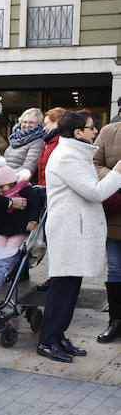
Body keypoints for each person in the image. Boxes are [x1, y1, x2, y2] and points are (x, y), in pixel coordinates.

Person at [38, 111, 120, 362]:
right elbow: (96, 191)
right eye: (91, 128)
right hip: (68, 231)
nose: (95, 132)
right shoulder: (66, 157)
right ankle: (47, 340)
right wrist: (118, 171)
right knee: (62, 289)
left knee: (71, 289)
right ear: (77, 132)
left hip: (75, 230)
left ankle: (58, 335)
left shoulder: (75, 153)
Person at [92, 119, 121, 343]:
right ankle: (115, 322)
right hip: (115, 213)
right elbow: (94, 164)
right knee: (115, 268)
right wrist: (116, 177)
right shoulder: (109, 132)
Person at [0, 156, 41, 249]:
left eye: (2, 187)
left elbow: (34, 205)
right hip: (2, 226)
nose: (0, 190)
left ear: (11, 182)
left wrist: (32, 220)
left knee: (12, 248)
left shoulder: (25, 190)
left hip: (20, 227)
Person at [4, 108, 45, 182]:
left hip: (19, 183)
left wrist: (6, 178)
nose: (27, 125)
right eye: (24, 122)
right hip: (7, 182)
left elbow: (29, 167)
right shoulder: (15, 138)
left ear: (39, 125)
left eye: (31, 122)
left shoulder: (38, 141)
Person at [36, 107, 67, 185]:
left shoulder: (62, 142)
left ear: (58, 122)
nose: (44, 128)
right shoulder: (48, 142)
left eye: (46, 124)